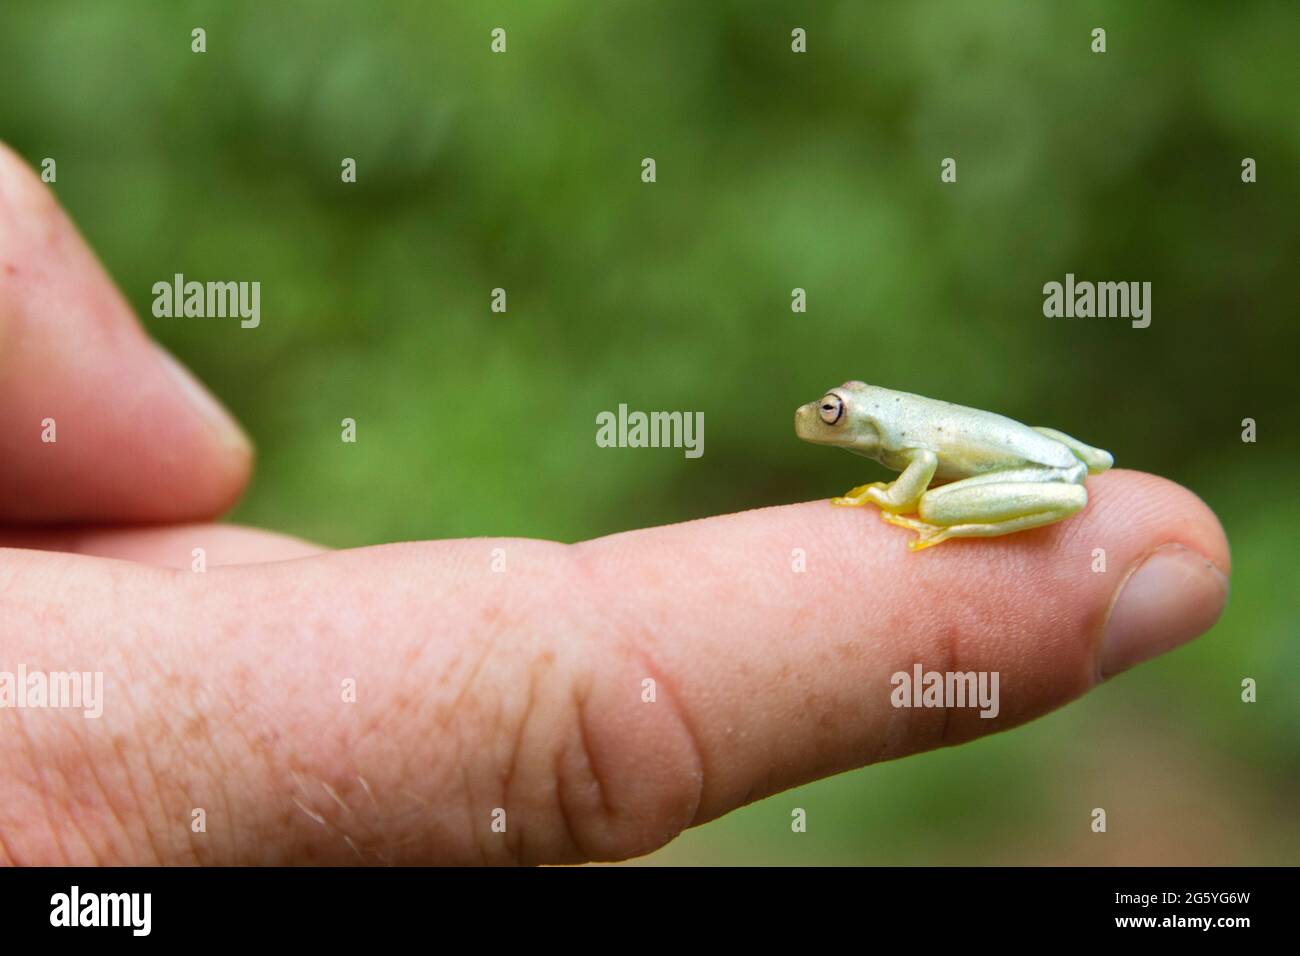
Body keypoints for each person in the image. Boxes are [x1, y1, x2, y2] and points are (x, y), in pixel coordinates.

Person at [0, 144, 1229, 865]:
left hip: (1033, 475)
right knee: (1042, 486)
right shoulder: (893, 412)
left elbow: (935, 465)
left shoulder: (906, 438)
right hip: (1045, 449)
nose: (822, 423)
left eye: (834, 416)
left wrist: (911, 503)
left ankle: (954, 530)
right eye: (830, 415)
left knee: (955, 516)